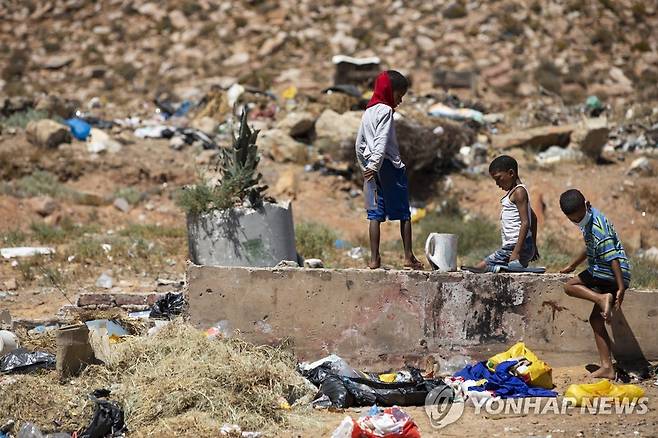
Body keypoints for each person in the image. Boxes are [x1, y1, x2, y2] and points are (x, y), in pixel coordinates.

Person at [559, 189, 631, 380]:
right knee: (596, 320)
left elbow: (612, 257)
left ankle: (601, 298)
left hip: (609, 271)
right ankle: (607, 367)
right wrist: (572, 265)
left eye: (579, 218)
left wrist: (621, 286)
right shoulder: (591, 218)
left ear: (586, 205)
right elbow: (590, 247)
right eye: (574, 220)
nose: (578, 222)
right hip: (608, 272)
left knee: (570, 286)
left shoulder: (598, 227)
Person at [355, 70, 422, 270]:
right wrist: (375, 164)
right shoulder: (385, 110)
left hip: (369, 165)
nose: (400, 101)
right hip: (388, 165)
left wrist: (365, 166)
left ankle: (374, 259)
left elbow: (359, 142)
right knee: (404, 213)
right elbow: (381, 140)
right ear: (389, 90)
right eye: (399, 95)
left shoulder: (368, 110)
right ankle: (408, 257)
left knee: (374, 214)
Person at [472, 155, 538, 272]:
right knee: (484, 268)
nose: (497, 184)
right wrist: (533, 246)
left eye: (498, 178)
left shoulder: (519, 192)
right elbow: (534, 217)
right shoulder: (515, 193)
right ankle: (504, 268)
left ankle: (501, 267)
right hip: (521, 247)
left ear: (511, 173)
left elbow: (526, 222)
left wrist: (517, 252)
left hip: (515, 247)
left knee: (478, 268)